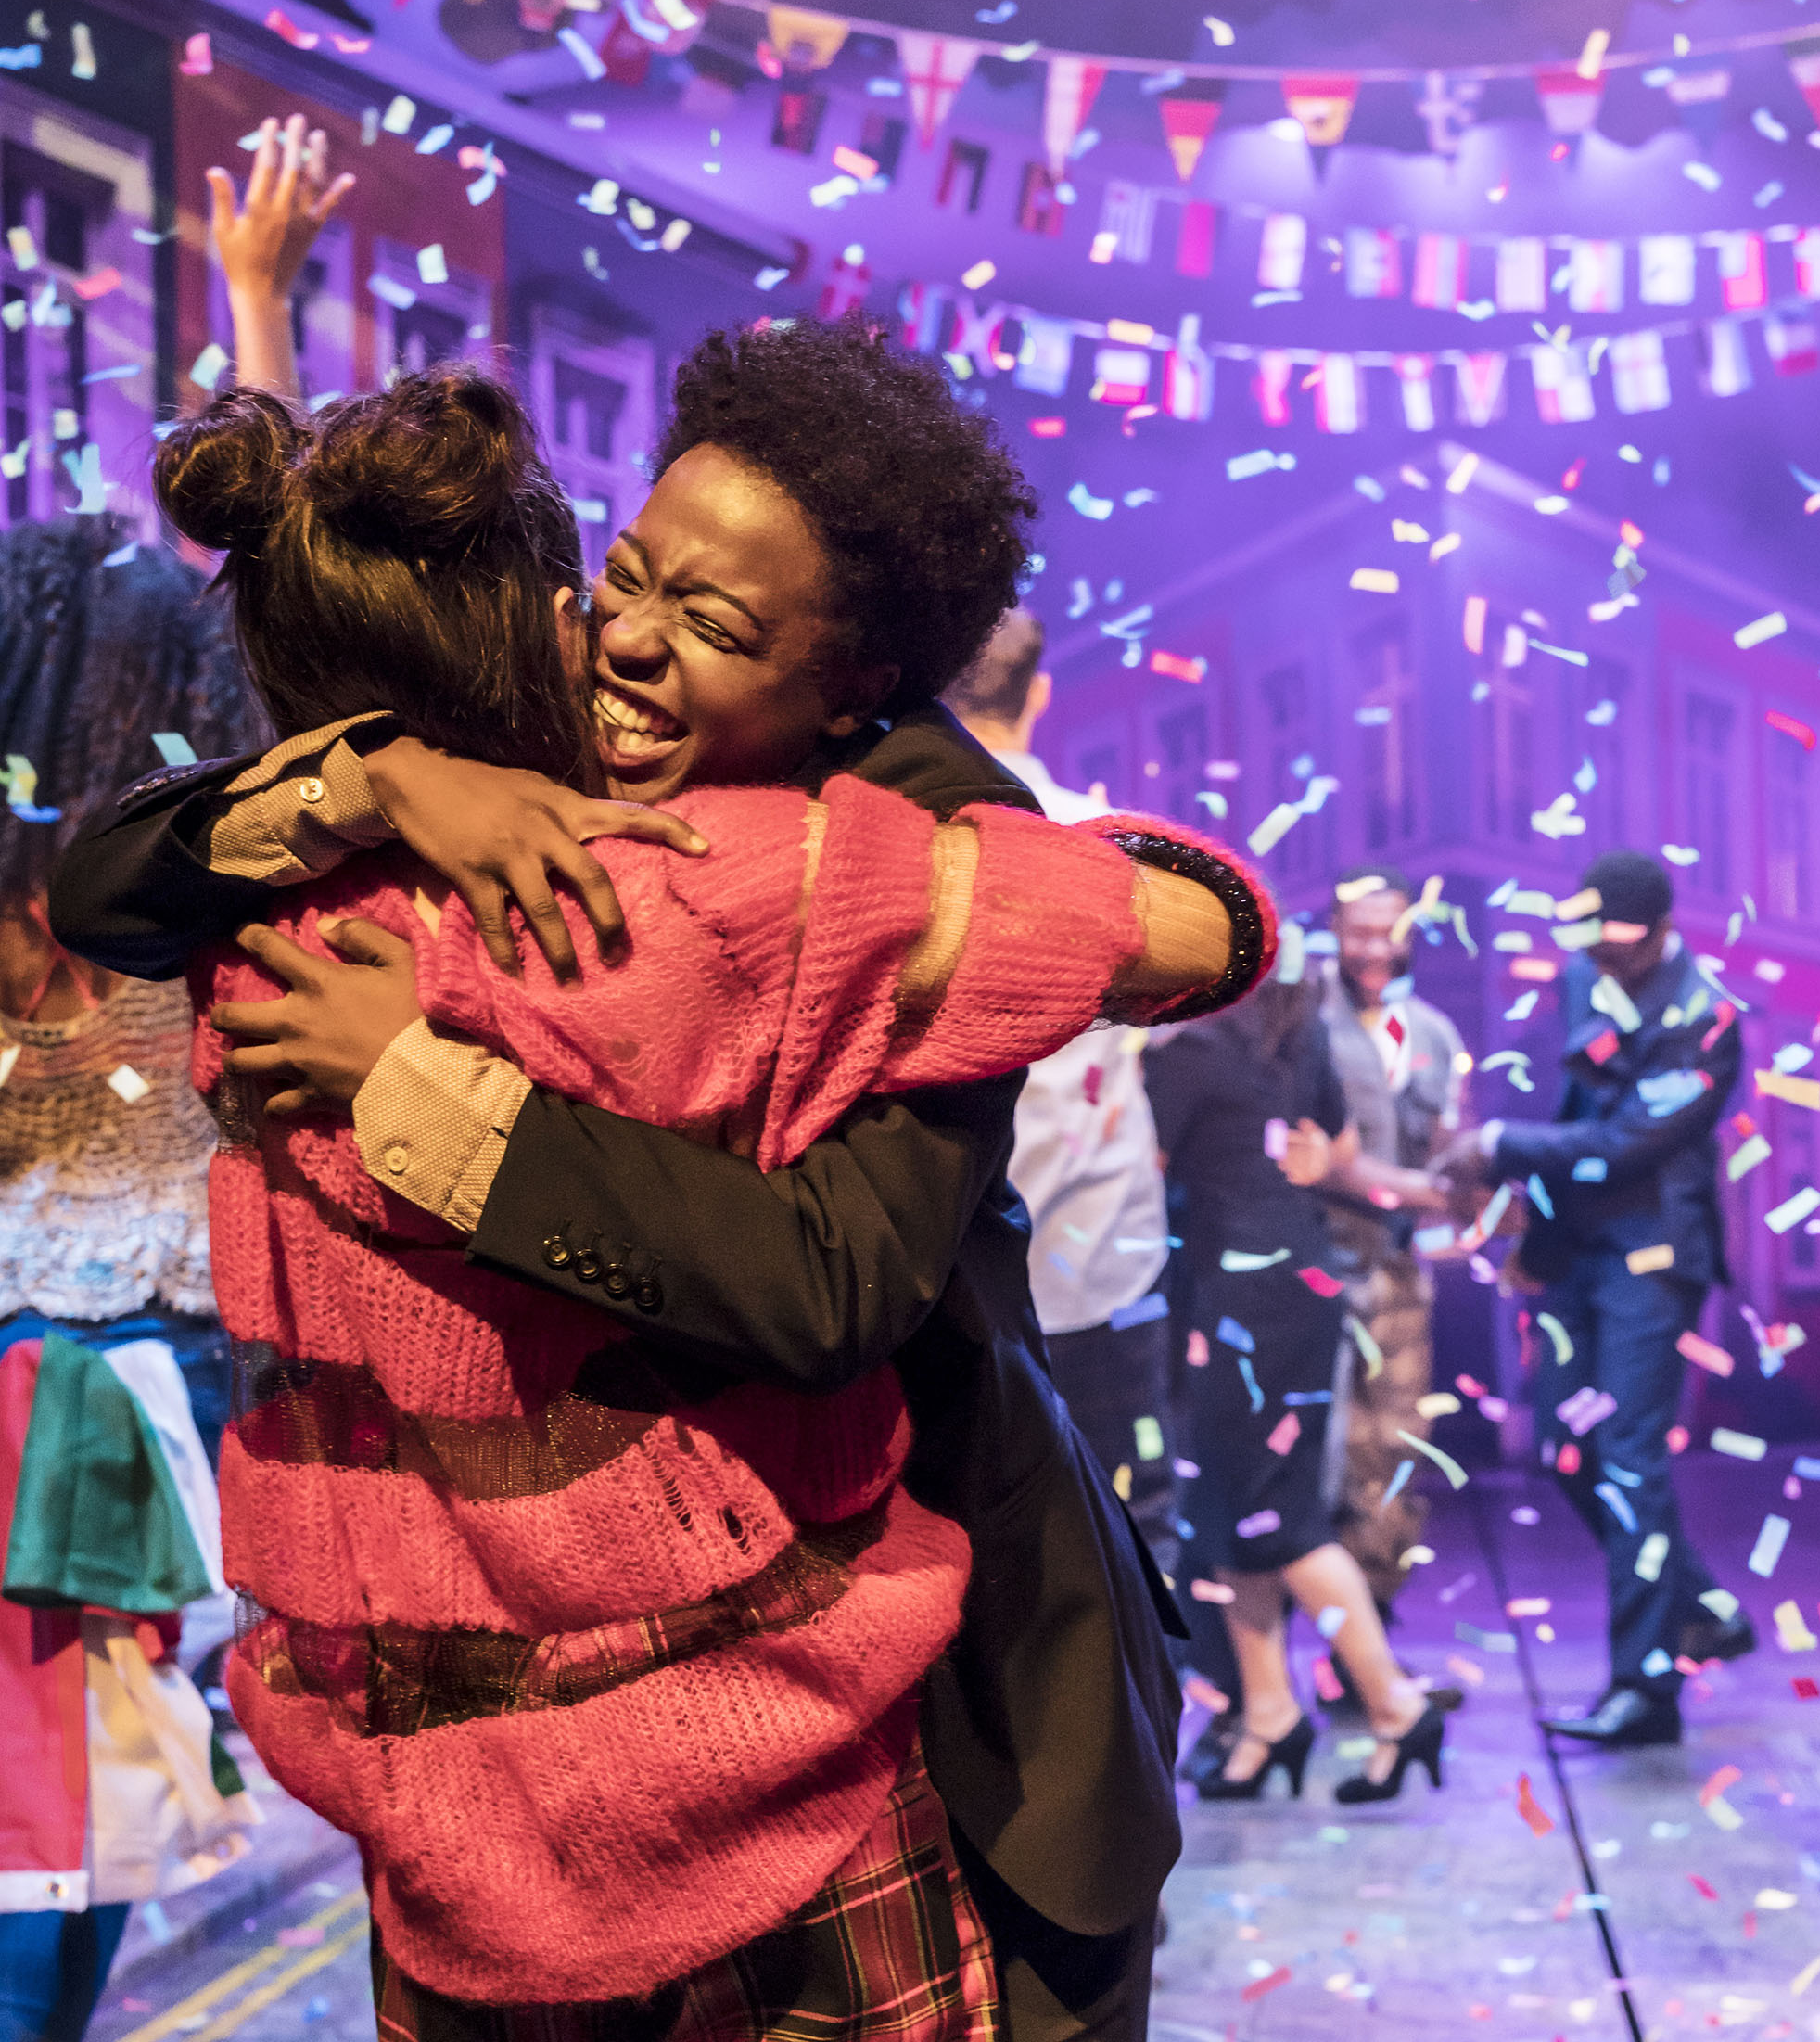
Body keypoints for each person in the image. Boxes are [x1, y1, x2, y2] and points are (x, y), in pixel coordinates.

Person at [54, 316, 1274, 2042]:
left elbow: (828, 1288)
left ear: (850, 690)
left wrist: (424, 1087)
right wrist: (392, 773)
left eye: (711, 627)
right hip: (552, 1752)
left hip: (938, 1701)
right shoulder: (524, 747)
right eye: (628, 575)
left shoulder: (903, 843)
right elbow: (117, 876)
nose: (624, 640)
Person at [0, 519, 266, 2042]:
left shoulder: (95, 922)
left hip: (88, 1420)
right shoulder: (192, 922)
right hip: (82, 1429)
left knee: (62, 1864)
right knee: (58, 1873)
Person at [1432, 849, 1747, 1749]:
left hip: (1651, 1261)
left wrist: (1493, 1142)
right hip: (1578, 1255)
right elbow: (1572, 1100)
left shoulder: (1708, 1016)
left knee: (1626, 1458)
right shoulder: (1583, 974)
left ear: (1651, 931)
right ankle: (1702, 1608)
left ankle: (1645, 1691)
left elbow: (1621, 1142)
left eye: (1610, 946)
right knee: (1571, 1449)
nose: (1592, 964)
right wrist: (1539, 1238)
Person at [1145, 952, 1450, 1806]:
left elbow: (1141, 1175)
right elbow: (1339, 1152)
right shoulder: (1296, 1030)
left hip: (1243, 1299)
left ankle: (1395, 1704)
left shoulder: (1187, 1052)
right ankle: (1272, 1713)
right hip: (1301, 1284)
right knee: (1245, 1510)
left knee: (1280, 1522)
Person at [946, 611, 1179, 1575]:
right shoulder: (1105, 840)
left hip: (958, 1261)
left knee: (979, 1541)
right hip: (1101, 1255)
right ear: (1039, 694)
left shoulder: (924, 834)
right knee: (1129, 1526)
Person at [1317, 866, 1470, 1611]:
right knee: (1319, 1454)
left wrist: (1471, 1197)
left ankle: (1369, 1647)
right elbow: (1323, 1160)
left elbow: (1450, 1150)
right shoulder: (1302, 1020)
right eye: (1360, 931)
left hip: (1401, 1277)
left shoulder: (1437, 1035)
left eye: (1390, 931)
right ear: (1335, 933)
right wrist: (1436, 1191)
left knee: (1396, 1454)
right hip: (1314, 1271)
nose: (1376, 947)